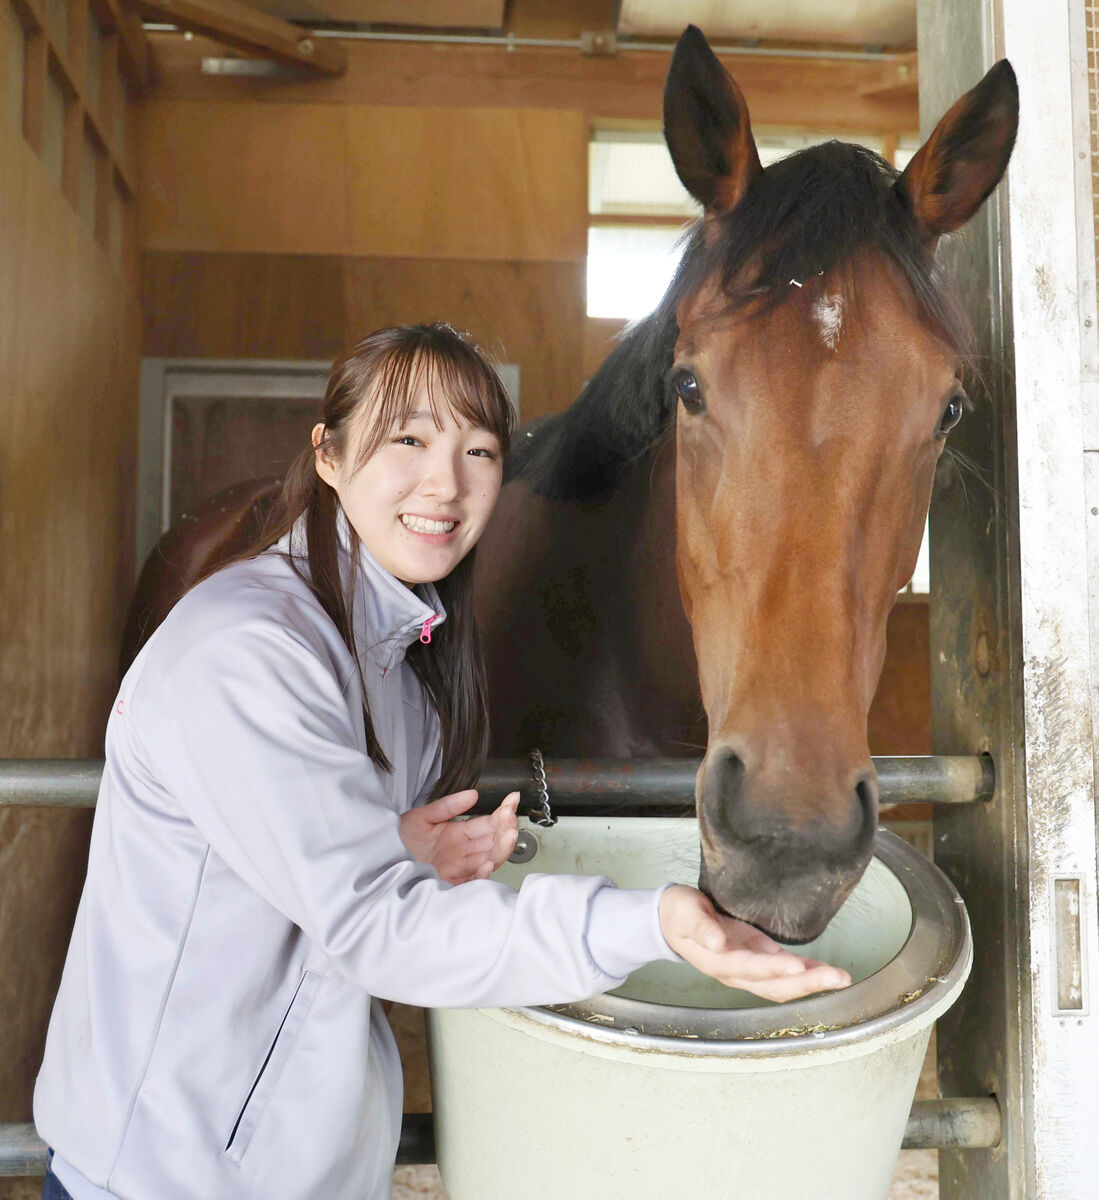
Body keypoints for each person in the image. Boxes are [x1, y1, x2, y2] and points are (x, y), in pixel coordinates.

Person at [34, 323, 850, 1200]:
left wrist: (401, 847)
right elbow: (376, 930)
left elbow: (318, 877)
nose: (446, 484)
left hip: (299, 1172)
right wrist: (651, 924)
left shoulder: (406, 670)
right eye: (409, 440)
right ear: (329, 457)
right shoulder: (245, 653)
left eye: (480, 450)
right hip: (163, 1177)